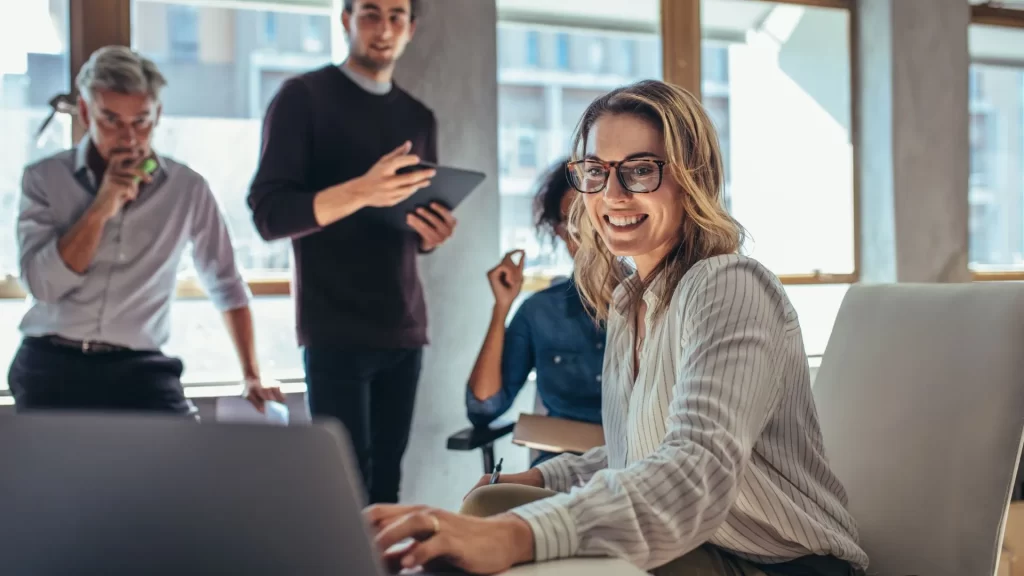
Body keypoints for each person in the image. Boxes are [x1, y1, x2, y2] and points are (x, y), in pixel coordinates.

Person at [363, 80, 870, 576]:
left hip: (778, 563)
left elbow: (693, 468)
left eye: (641, 170)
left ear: (693, 176)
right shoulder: (628, 302)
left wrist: (517, 534)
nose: (613, 194)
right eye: (596, 171)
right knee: (493, 501)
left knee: (503, 533)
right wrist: (542, 475)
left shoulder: (730, 285)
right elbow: (636, 454)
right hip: (702, 543)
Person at [247, 0, 453, 505]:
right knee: (342, 490)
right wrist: (361, 189)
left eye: (396, 16)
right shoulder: (302, 98)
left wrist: (432, 233)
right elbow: (270, 214)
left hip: (404, 325)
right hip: (334, 327)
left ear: (410, 28)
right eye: (370, 14)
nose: (383, 29)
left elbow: (410, 223)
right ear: (344, 20)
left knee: (387, 489)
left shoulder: (418, 116)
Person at [10, 46, 282, 415]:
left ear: (158, 115)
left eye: (141, 121)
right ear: (87, 113)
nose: (128, 137)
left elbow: (226, 283)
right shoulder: (43, 179)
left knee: (181, 464)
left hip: (140, 366)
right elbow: (43, 286)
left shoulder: (188, 189)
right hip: (51, 360)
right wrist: (100, 209)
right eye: (111, 120)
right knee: (56, 472)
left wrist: (252, 375)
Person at [465, 160, 604, 466]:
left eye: (593, 220)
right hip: (557, 469)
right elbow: (483, 406)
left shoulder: (653, 303)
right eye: (572, 225)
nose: (585, 236)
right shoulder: (541, 311)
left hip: (634, 469)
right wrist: (502, 306)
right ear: (559, 232)